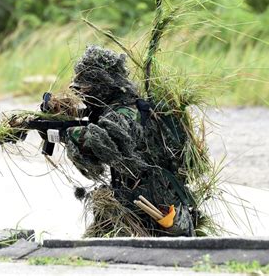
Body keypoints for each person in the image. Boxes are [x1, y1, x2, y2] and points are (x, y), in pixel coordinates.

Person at [45, 45, 197, 237]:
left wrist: (64, 134)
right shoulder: (119, 107)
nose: (82, 94)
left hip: (154, 205)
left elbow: (102, 140)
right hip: (136, 199)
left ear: (103, 85)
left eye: (87, 88)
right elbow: (95, 119)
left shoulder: (126, 111)